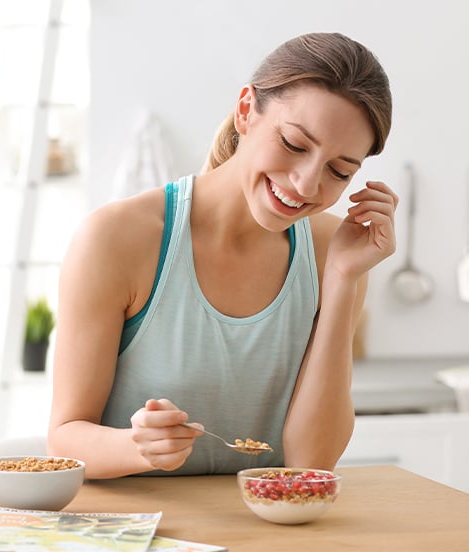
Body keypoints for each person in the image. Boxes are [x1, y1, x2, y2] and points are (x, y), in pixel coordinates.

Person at [47, 32, 397, 479]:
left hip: (271, 532)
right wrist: (136, 447)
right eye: (293, 144)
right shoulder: (118, 239)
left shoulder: (334, 251)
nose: (307, 185)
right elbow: (64, 436)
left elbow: (312, 462)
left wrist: (343, 278)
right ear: (246, 111)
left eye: (338, 170)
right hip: (139, 532)